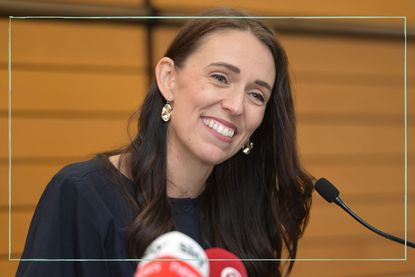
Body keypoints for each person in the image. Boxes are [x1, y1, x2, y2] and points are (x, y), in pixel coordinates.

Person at [16, 8, 314, 277]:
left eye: (256, 95)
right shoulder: (82, 193)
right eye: (220, 78)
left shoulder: (249, 213)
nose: (236, 105)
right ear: (169, 78)